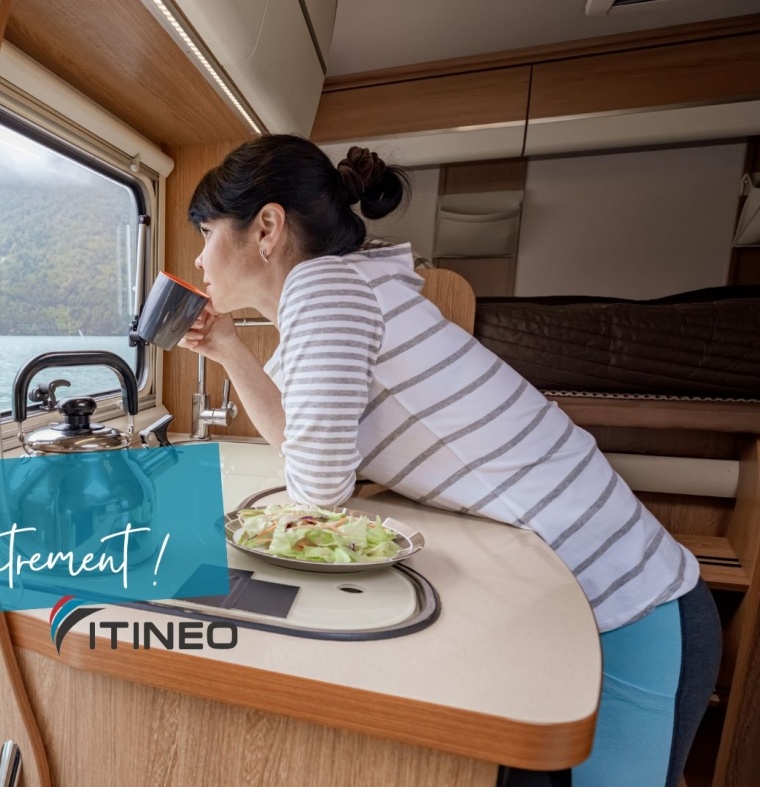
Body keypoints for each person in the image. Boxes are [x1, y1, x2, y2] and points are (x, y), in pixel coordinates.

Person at [178, 134, 721, 787]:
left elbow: (317, 483)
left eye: (207, 231)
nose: (199, 257)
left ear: (267, 227)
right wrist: (229, 348)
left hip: (634, 603)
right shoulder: (345, 288)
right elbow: (301, 439)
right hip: (600, 589)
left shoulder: (324, 291)